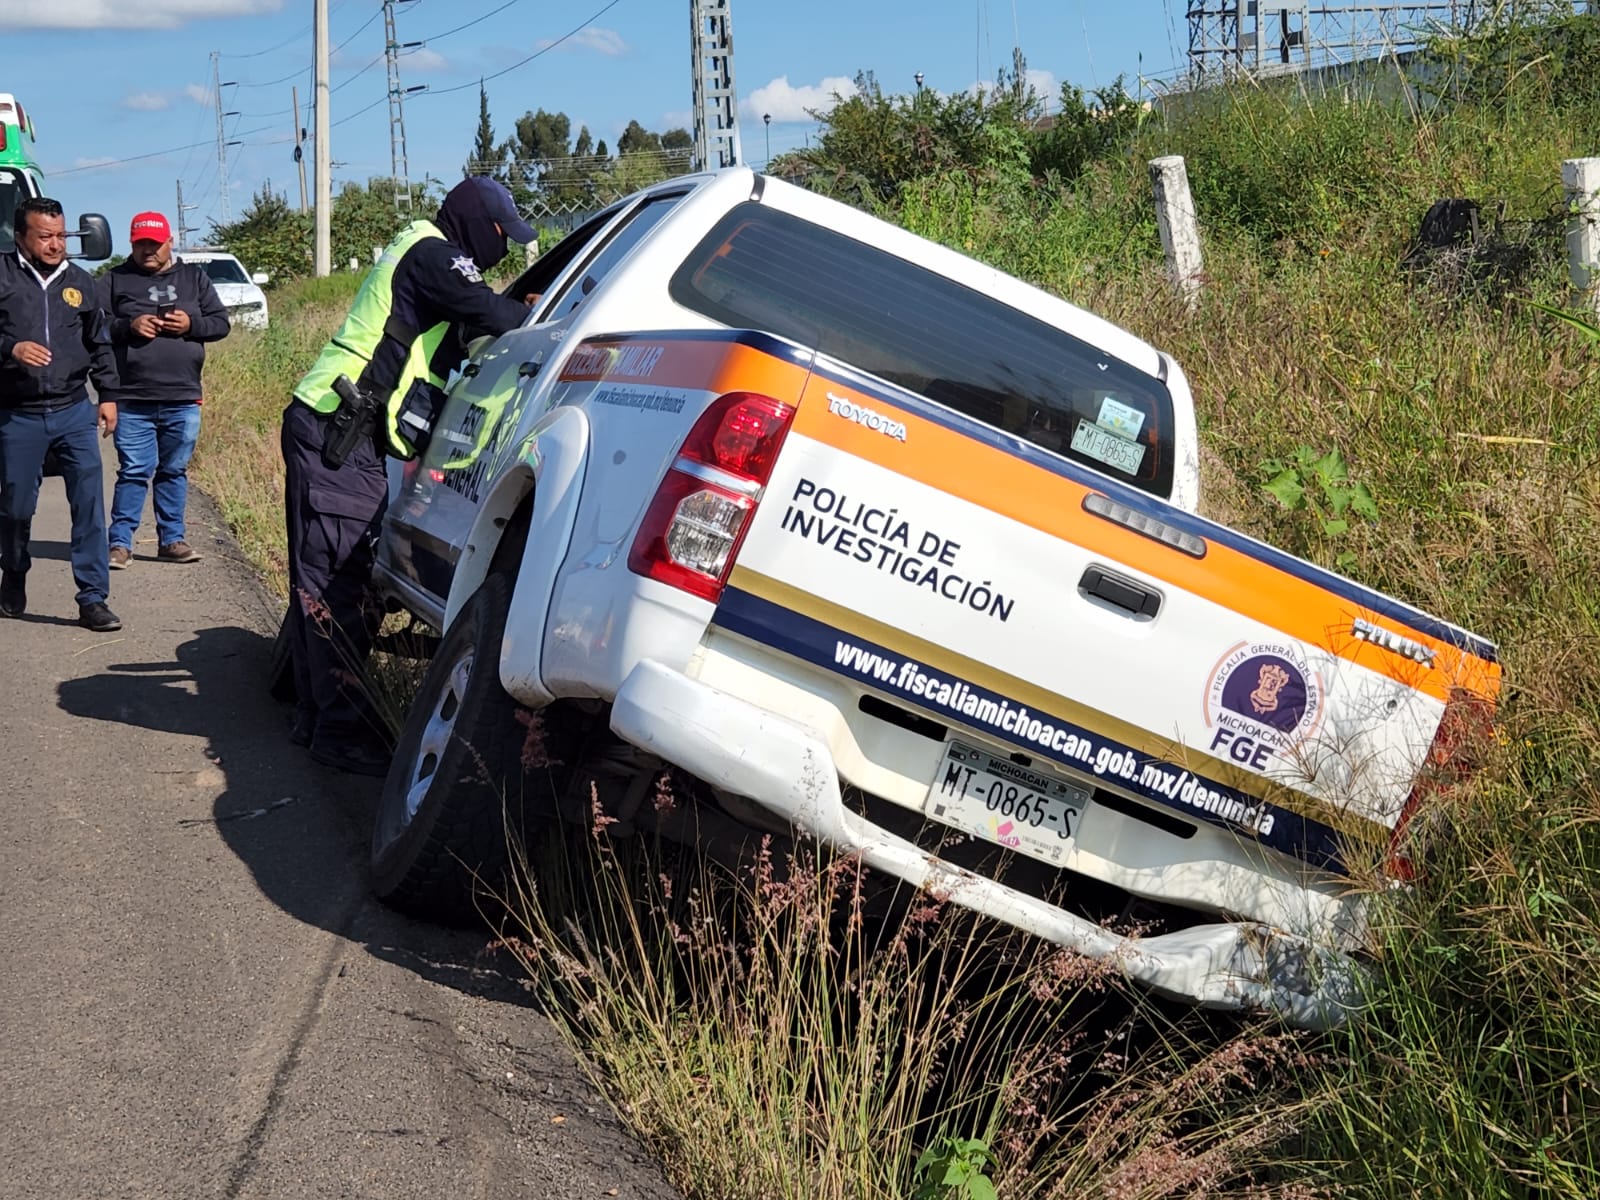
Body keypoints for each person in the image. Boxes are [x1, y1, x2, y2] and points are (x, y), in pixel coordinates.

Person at [283, 175, 537, 775]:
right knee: (337, 584)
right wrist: (528, 308)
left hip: (334, 427)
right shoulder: (436, 254)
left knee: (320, 579)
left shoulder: (422, 248)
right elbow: (490, 312)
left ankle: (314, 716)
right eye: (502, 235)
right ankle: (338, 733)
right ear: (477, 224)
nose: (500, 249)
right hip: (337, 431)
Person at [0, 196, 122, 632]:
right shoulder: (3, 275)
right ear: (21, 237)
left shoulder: (82, 282)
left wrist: (108, 395)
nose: (56, 245)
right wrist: (9, 349)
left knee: (89, 505)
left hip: (73, 409)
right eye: (45, 237)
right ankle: (13, 573)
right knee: (15, 508)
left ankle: (93, 599)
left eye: (61, 236)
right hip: (19, 414)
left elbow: (100, 341)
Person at [98, 211, 231, 569]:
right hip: (133, 397)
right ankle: (120, 543)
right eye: (141, 244)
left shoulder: (193, 278)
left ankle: (171, 539)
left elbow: (221, 324)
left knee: (174, 469)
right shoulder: (114, 279)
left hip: (182, 396)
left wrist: (190, 324)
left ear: (169, 242)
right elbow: (95, 329)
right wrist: (129, 326)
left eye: (155, 245)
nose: (148, 251)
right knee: (134, 470)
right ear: (132, 243)